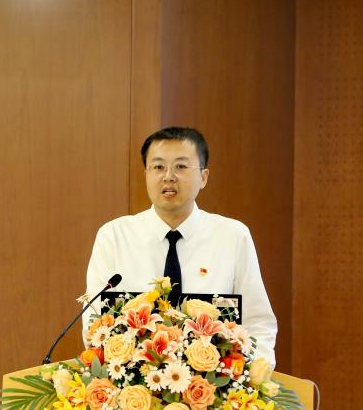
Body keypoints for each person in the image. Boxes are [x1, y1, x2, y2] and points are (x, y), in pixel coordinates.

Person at [84, 127, 278, 364]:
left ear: (203, 177)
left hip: (216, 381)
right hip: (133, 380)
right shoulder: (114, 236)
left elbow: (258, 323)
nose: (168, 176)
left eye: (181, 166)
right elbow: (95, 323)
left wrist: (250, 374)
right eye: (158, 167)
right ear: (146, 175)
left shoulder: (233, 236)